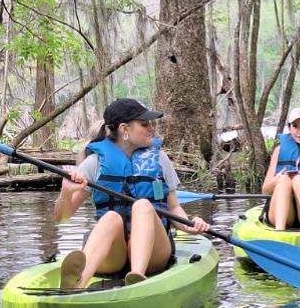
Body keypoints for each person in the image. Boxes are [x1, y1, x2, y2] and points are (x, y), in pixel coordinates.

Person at [54, 98, 210, 289]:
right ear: (124, 129)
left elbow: (174, 207)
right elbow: (61, 217)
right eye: (144, 124)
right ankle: (77, 285)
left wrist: (189, 225)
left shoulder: (160, 159)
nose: (151, 128)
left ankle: (137, 275)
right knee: (111, 217)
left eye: (151, 123)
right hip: (115, 255)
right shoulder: (94, 163)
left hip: (154, 254)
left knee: (143, 205)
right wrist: (66, 192)